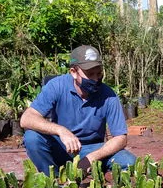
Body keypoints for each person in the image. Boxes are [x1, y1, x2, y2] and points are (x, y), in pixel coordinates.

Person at [20, 45, 137, 175]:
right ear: (73, 72)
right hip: (62, 147)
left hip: (92, 148)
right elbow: (26, 118)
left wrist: (92, 157)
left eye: (99, 74)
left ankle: (97, 177)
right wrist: (61, 131)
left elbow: (120, 137)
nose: (95, 79)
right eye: (90, 74)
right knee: (32, 138)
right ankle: (52, 178)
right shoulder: (56, 86)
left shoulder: (109, 95)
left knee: (129, 161)